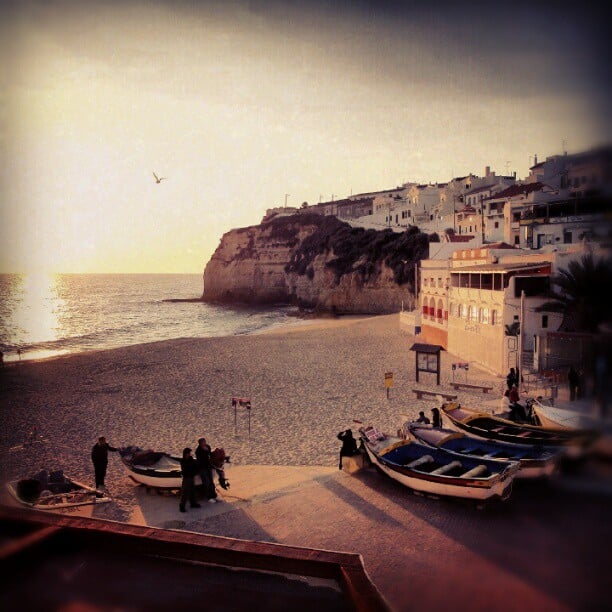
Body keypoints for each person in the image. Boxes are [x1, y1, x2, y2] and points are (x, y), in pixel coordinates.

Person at [195, 437, 217, 503]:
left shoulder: (207, 446)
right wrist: (206, 451)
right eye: (203, 442)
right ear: (200, 443)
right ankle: (209, 497)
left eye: (205, 441)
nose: (205, 443)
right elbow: (201, 458)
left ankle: (214, 495)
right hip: (202, 468)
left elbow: (209, 454)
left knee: (211, 482)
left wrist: (208, 451)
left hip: (208, 466)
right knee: (206, 482)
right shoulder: (198, 450)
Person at [179, 447, 201, 512]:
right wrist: (192, 469)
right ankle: (182, 506)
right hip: (186, 478)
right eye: (188, 453)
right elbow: (186, 469)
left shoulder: (191, 459)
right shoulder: (183, 461)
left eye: (189, 453)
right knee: (185, 492)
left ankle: (193, 503)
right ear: (185, 454)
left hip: (191, 477)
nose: (189, 454)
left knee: (192, 491)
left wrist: (195, 471)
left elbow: (195, 466)